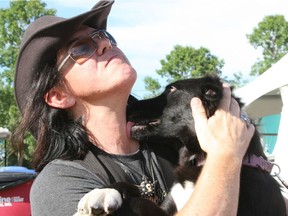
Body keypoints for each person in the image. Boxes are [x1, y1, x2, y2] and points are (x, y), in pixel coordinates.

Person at [12, 0, 256, 215]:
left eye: (105, 37)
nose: (106, 44)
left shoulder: (176, 146)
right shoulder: (60, 182)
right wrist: (225, 154)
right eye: (82, 48)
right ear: (58, 96)